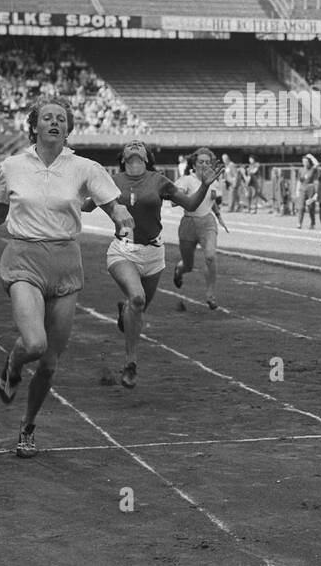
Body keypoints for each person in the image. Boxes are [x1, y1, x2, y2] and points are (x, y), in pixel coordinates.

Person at [0, 99, 134, 458]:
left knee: (50, 362)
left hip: (65, 262)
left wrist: (121, 215)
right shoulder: (11, 166)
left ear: (68, 129)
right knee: (35, 343)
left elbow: (112, 203)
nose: (55, 123)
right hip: (23, 259)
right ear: (35, 126)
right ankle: (12, 366)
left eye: (61, 119)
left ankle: (27, 428)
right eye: (48, 118)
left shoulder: (84, 167)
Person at [91, 141, 218, 388]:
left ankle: (125, 311)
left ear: (147, 157)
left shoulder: (159, 181)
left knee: (138, 309)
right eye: (131, 145)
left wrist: (204, 186)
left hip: (153, 255)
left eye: (140, 146)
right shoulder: (112, 181)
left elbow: (190, 204)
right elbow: (85, 204)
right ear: (123, 156)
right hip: (123, 251)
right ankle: (131, 363)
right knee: (137, 300)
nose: (135, 147)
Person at [173, 147, 224, 310]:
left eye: (208, 162)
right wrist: (178, 196)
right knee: (188, 265)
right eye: (201, 162)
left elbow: (212, 199)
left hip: (207, 223)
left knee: (210, 257)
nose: (204, 165)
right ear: (194, 164)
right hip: (188, 223)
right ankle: (179, 270)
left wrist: (218, 214)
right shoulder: (186, 180)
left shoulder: (215, 182)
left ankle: (210, 295)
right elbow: (176, 198)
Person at [297, 154, 318, 229]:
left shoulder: (312, 169)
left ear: (309, 162)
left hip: (310, 188)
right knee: (301, 207)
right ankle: (299, 223)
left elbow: (317, 164)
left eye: (306, 161)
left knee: (311, 207)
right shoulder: (301, 170)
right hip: (302, 188)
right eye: (303, 161)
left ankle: (312, 223)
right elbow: (299, 181)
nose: (304, 163)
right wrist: (297, 190)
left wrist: (312, 157)